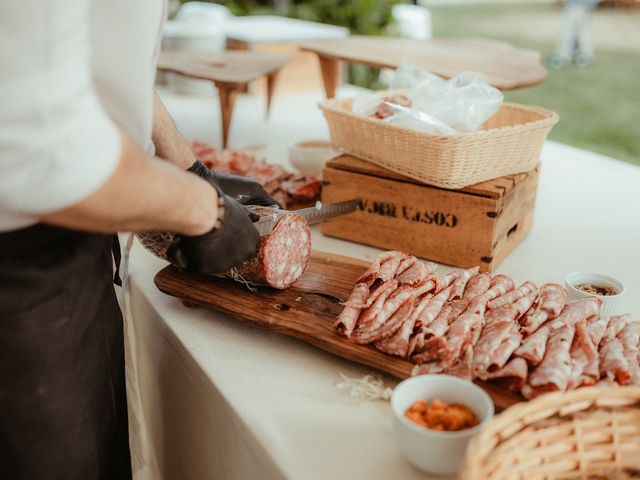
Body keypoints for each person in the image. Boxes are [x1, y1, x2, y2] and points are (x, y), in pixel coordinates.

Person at [0, 1, 277, 478]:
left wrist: (190, 167)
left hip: (69, 246)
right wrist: (201, 209)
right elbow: (46, 155)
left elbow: (98, 60)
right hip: (20, 270)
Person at [550, 0, 600, 69]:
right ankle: (581, 54)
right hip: (577, 4)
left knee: (573, 28)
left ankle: (566, 55)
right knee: (579, 28)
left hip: (581, 4)